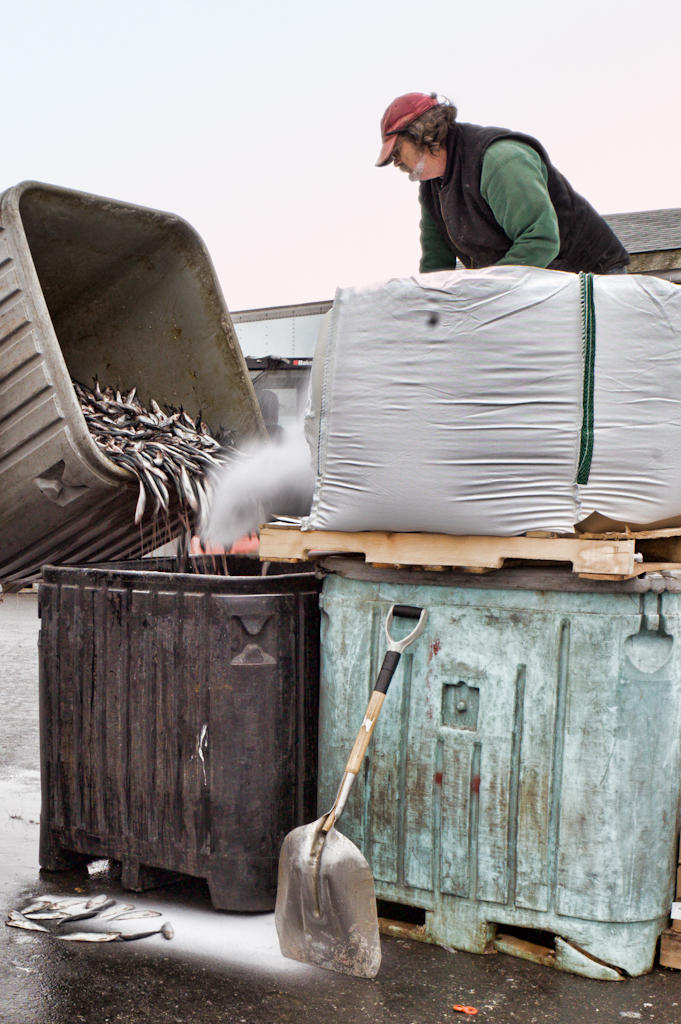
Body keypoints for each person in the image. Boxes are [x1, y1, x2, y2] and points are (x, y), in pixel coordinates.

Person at [376, 92, 629, 275]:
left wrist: (485, 290)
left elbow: (539, 239)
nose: (396, 162)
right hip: (535, 285)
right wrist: (427, 314)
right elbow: (436, 264)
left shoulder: (498, 160)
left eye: (397, 151)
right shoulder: (432, 188)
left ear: (423, 134)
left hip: (592, 277)